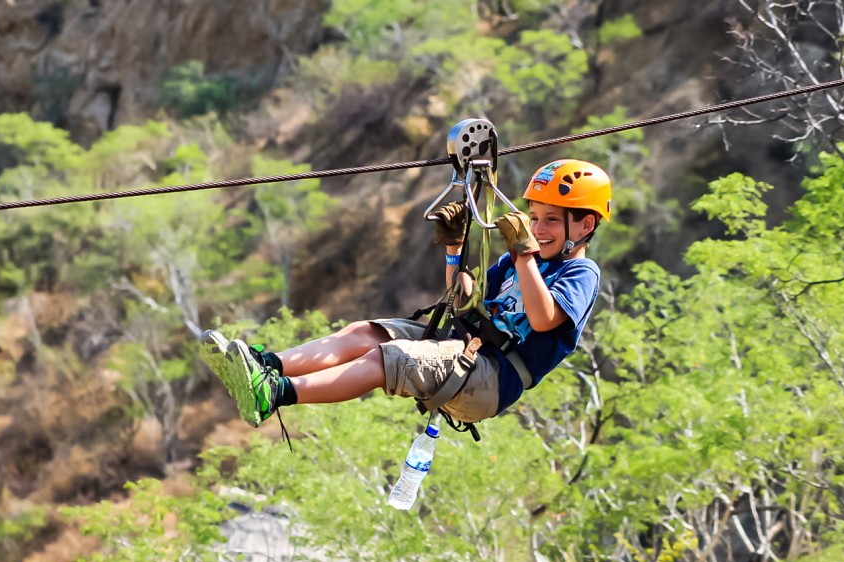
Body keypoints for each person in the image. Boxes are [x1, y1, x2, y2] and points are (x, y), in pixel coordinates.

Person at [200, 159, 610, 429]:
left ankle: (273, 394)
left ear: (585, 225)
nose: (539, 229)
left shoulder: (580, 272)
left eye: (552, 221)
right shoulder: (517, 262)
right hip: (465, 349)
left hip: (493, 379)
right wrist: (455, 250)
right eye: (535, 218)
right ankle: (264, 365)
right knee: (368, 333)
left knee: (388, 359)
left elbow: (542, 320)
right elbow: (462, 300)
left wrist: (524, 254)